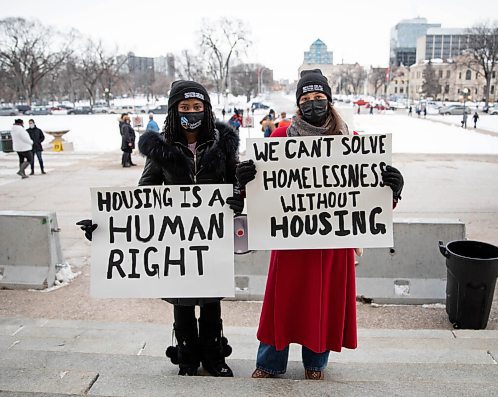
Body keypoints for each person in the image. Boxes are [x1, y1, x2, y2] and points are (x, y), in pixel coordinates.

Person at [235, 69, 404, 381]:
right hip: (291, 241)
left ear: (329, 100)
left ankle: (316, 363)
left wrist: (392, 189)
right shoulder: (280, 138)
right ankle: (270, 362)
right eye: (306, 99)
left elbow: (367, 200)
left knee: (323, 303)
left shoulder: (351, 142)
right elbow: (262, 193)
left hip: (332, 242)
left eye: (319, 98)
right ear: (299, 104)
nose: (313, 103)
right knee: (281, 302)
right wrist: (244, 182)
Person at [77, 80, 244, 378]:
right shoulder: (160, 148)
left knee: (210, 303)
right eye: (184, 107)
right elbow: (143, 196)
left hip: (212, 239)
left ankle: (214, 357)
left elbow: (235, 184)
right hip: (176, 240)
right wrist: (108, 225)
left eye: (196, 107)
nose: (191, 112)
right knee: (182, 303)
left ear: (205, 109)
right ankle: (187, 357)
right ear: (173, 110)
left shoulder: (223, 143)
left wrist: (239, 192)